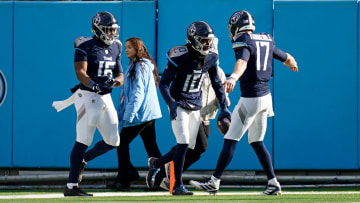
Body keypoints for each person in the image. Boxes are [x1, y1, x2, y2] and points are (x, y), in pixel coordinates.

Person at [189, 10, 298, 195]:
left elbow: (243, 61)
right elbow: (287, 57)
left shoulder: (245, 41)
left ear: (236, 26)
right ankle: (273, 182)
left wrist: (233, 77)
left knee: (230, 139)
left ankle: (214, 181)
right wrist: (292, 63)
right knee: (257, 141)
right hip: (266, 99)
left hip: (251, 99)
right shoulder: (266, 39)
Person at [146, 21, 231, 195]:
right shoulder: (180, 55)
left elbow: (216, 83)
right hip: (180, 103)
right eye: (204, 41)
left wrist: (224, 106)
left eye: (209, 41)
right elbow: (163, 84)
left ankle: (156, 163)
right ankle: (177, 186)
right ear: (193, 40)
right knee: (183, 142)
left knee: (189, 147)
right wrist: (171, 102)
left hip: (196, 106)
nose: (208, 45)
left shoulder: (211, 57)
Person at [60, 11, 124, 196]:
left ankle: (84, 160)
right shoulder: (85, 44)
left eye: (113, 30)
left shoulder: (117, 46)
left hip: (105, 96)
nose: (112, 34)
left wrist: (114, 82)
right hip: (87, 95)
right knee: (83, 139)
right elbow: (80, 72)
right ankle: (71, 186)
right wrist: (93, 84)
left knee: (113, 140)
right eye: (108, 30)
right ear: (97, 29)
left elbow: (120, 75)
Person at [107, 37, 163, 191]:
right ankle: (160, 180)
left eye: (129, 47)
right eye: (125, 47)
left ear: (137, 48)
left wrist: (128, 116)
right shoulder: (136, 65)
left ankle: (126, 177)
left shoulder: (141, 66)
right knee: (152, 147)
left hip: (140, 115)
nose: (126, 50)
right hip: (147, 114)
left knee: (121, 144)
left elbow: (138, 93)